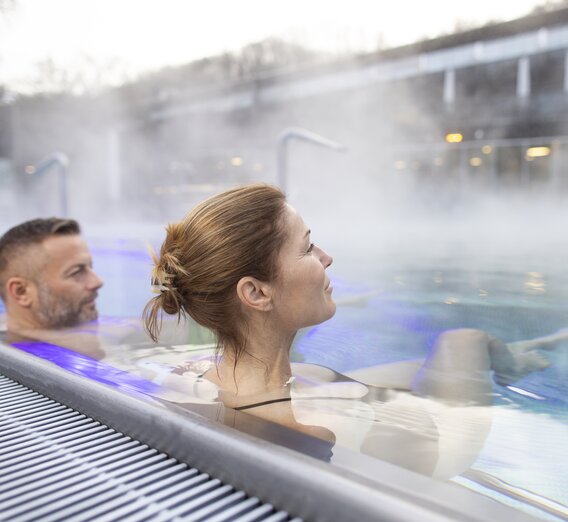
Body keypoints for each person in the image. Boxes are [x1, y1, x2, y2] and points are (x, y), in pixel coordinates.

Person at [143, 183, 567, 479]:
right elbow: (430, 459)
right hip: (442, 446)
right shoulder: (319, 425)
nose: (326, 257)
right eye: (307, 247)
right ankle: (514, 361)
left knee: (388, 372)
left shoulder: (191, 374)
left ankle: (516, 355)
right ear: (255, 292)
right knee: (463, 341)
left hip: (326, 395)